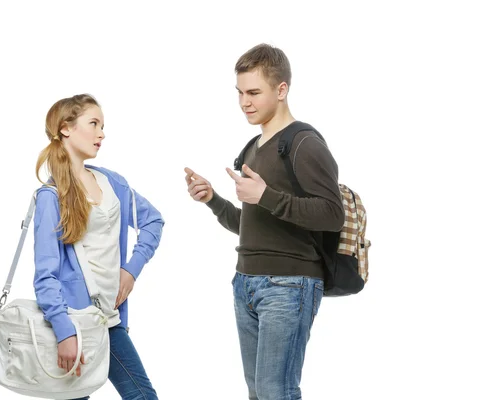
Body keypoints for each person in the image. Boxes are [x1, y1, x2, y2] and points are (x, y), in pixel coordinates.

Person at [184, 44, 344, 400]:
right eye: (240, 93)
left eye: (254, 92)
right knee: (259, 393)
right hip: (247, 283)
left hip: (288, 286)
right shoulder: (253, 147)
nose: (244, 102)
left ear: (281, 90)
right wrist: (213, 200)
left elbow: (333, 215)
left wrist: (266, 195)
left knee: (277, 392)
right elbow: (252, 225)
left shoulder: (304, 143)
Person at [34, 94, 163, 400]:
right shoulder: (51, 197)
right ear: (66, 128)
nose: (101, 133)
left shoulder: (112, 183)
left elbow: (153, 221)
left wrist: (131, 270)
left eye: (103, 126)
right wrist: (64, 331)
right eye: (93, 124)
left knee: (144, 396)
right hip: (73, 325)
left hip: (109, 321)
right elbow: (45, 275)